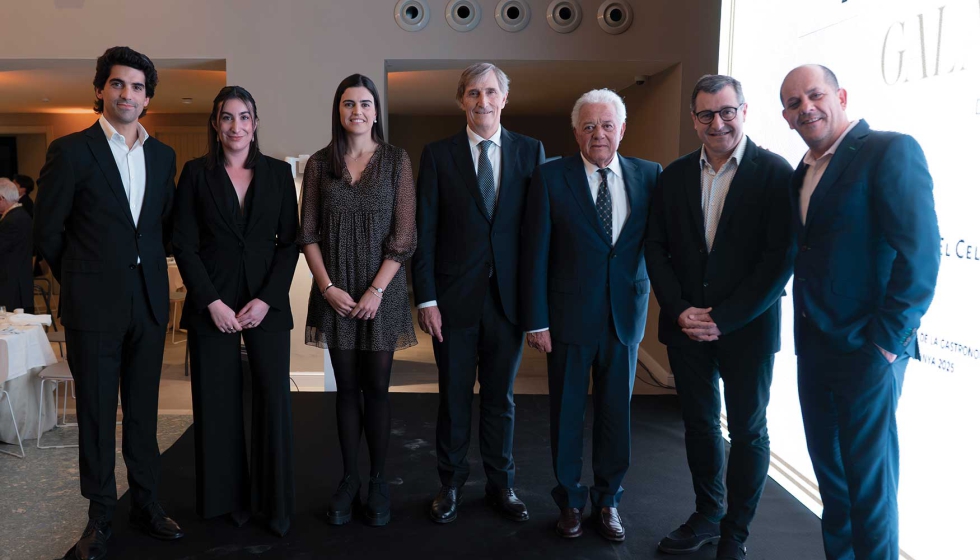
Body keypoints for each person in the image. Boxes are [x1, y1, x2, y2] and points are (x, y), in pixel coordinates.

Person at [779, 64, 940, 560]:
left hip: (868, 354)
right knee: (835, 488)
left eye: (814, 95)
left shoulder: (889, 150)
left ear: (841, 96)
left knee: (870, 492)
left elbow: (921, 256)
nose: (805, 107)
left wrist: (886, 345)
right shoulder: (802, 170)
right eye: (792, 103)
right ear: (785, 117)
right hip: (815, 351)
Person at [34, 46, 183, 560]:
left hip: (147, 306)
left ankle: (146, 503)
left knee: (143, 412)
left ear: (148, 97)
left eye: (138, 87)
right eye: (118, 84)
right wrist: (81, 280)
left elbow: (157, 229)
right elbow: (48, 231)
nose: (128, 94)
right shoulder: (71, 150)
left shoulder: (163, 157)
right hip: (93, 308)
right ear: (100, 90)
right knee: (97, 416)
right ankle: (99, 517)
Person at [647, 74, 794, 560]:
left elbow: (778, 260)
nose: (718, 122)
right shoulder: (672, 176)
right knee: (700, 425)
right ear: (694, 121)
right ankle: (708, 515)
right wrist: (680, 309)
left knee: (749, 430)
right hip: (686, 326)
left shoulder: (775, 173)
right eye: (707, 114)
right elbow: (657, 249)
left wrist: (724, 318)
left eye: (727, 111)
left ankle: (736, 532)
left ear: (744, 112)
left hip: (747, 329)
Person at [522, 88, 661, 542]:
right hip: (567, 318)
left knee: (615, 416)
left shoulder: (650, 175)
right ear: (576, 132)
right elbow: (535, 252)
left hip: (624, 318)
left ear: (622, 129)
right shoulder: (550, 177)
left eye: (606, 125)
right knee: (566, 414)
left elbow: (658, 248)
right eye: (588, 126)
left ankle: (609, 501)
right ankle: (569, 501)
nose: (597, 134)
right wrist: (537, 319)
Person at [412, 62, 545, 525]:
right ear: (461, 101)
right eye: (473, 93)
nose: (482, 101)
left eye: (490, 92)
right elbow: (423, 233)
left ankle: (500, 485)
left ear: (504, 99)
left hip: (508, 303)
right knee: (453, 398)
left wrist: (536, 309)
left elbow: (537, 235)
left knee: (500, 399)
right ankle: (449, 486)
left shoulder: (531, 152)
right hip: (452, 303)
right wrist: (425, 298)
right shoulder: (438, 155)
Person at [172, 85, 299, 537]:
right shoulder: (194, 174)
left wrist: (267, 299)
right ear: (215, 124)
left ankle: (274, 504)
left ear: (255, 124)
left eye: (244, 117)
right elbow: (183, 244)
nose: (235, 126)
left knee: (273, 402)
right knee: (216, 402)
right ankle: (224, 501)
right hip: (214, 303)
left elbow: (290, 246)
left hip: (267, 303)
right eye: (226, 117)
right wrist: (211, 302)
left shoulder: (279, 175)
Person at [299, 73, 417, 528]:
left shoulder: (396, 161)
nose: (357, 112)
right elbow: (307, 234)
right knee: (345, 389)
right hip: (336, 295)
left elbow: (404, 235)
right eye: (349, 104)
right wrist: (328, 288)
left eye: (366, 104)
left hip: (379, 293)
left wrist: (376, 290)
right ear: (339, 110)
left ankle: (379, 480)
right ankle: (349, 479)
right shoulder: (318, 164)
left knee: (378, 390)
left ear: (375, 111)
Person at [0, 178, 34, 313]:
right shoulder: (19, 215)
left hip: (11, 286)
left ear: (1, 198)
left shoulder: (13, 220)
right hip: (16, 282)